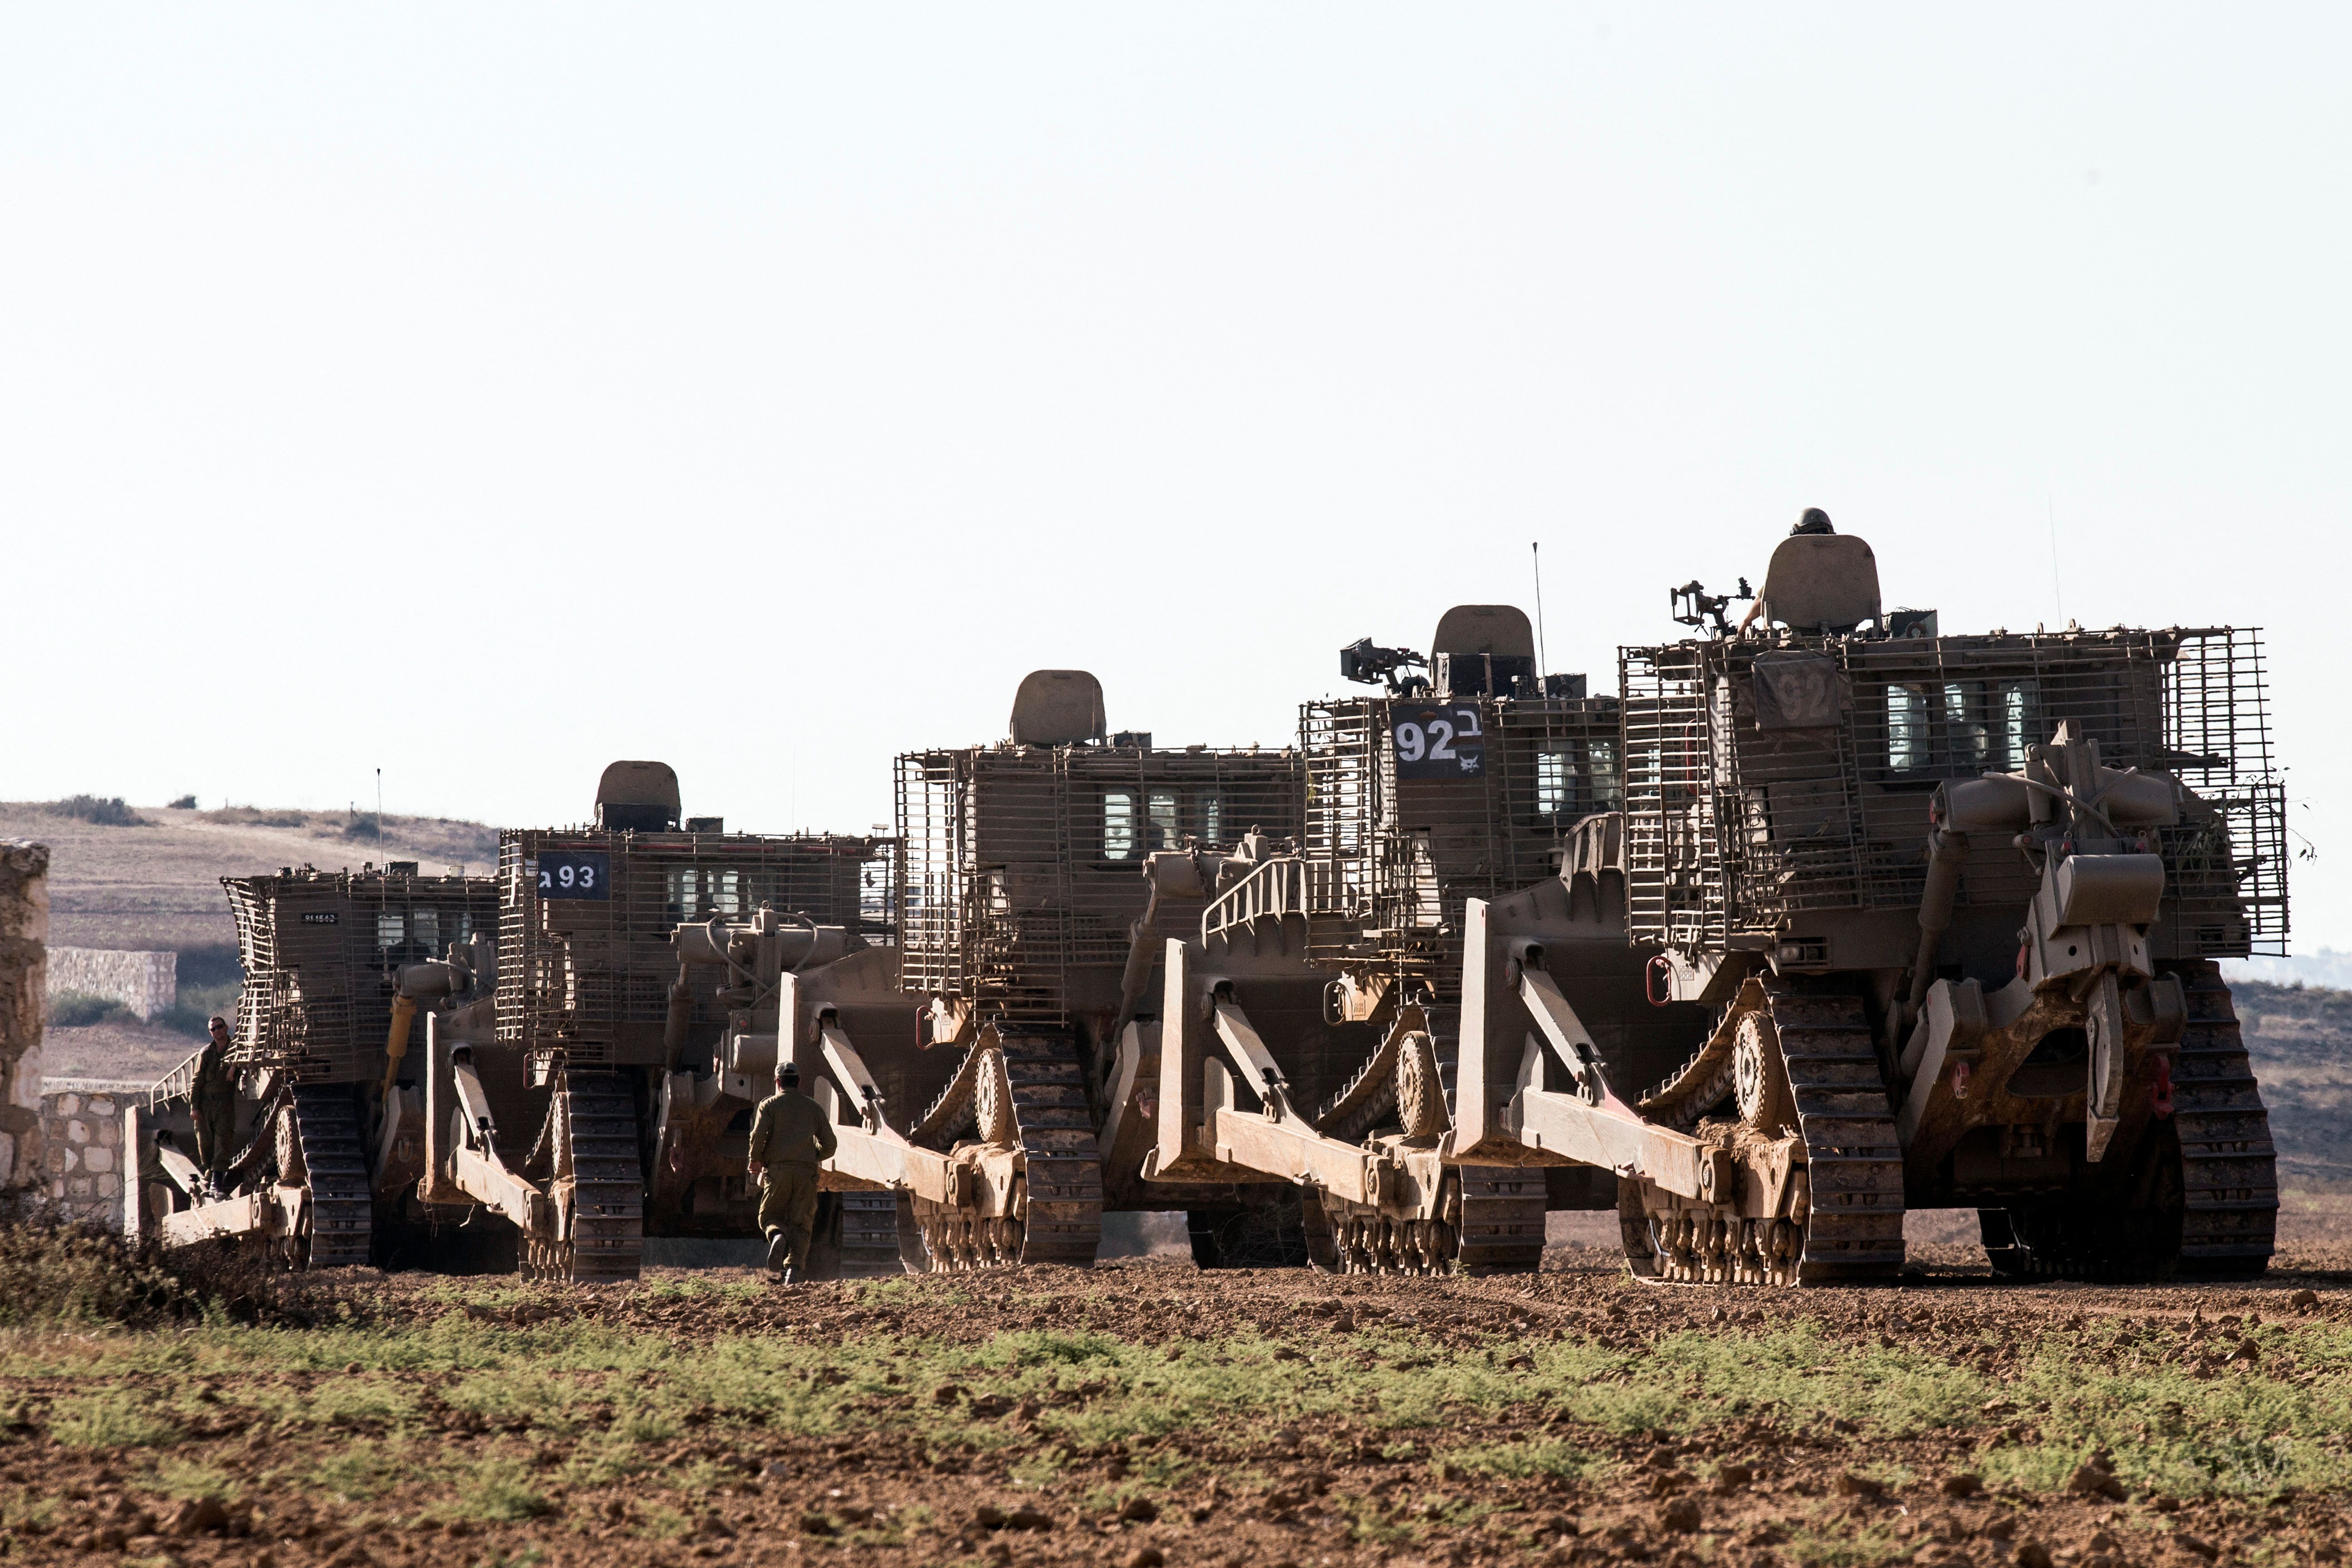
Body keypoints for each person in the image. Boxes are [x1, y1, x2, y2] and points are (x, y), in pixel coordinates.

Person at [746, 1061, 837, 1283]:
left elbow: (758, 1137)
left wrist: (755, 1160)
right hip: (806, 1174)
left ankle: (777, 1235)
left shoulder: (769, 1106)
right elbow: (830, 1144)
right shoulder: (813, 1107)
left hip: (778, 1173)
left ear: (777, 1082)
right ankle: (793, 1273)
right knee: (802, 1224)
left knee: (769, 1216)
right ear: (799, 1082)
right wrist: (813, 1156)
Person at [1737, 507, 1837, 634]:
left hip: (1800, 634)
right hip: (1844, 631)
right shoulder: (1850, 559)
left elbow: (1765, 597)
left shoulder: (1791, 564)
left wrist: (1746, 622)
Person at [190, 1015, 240, 1181]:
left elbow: (243, 1065)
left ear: (226, 1028)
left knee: (223, 1140)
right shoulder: (206, 1053)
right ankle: (210, 1171)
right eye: (213, 1029)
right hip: (205, 1103)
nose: (217, 1031)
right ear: (211, 1033)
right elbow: (197, 1081)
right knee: (205, 1142)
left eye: (220, 1027)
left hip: (224, 1102)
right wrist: (194, 1107)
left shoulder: (237, 1049)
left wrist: (234, 1068)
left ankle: (217, 1179)